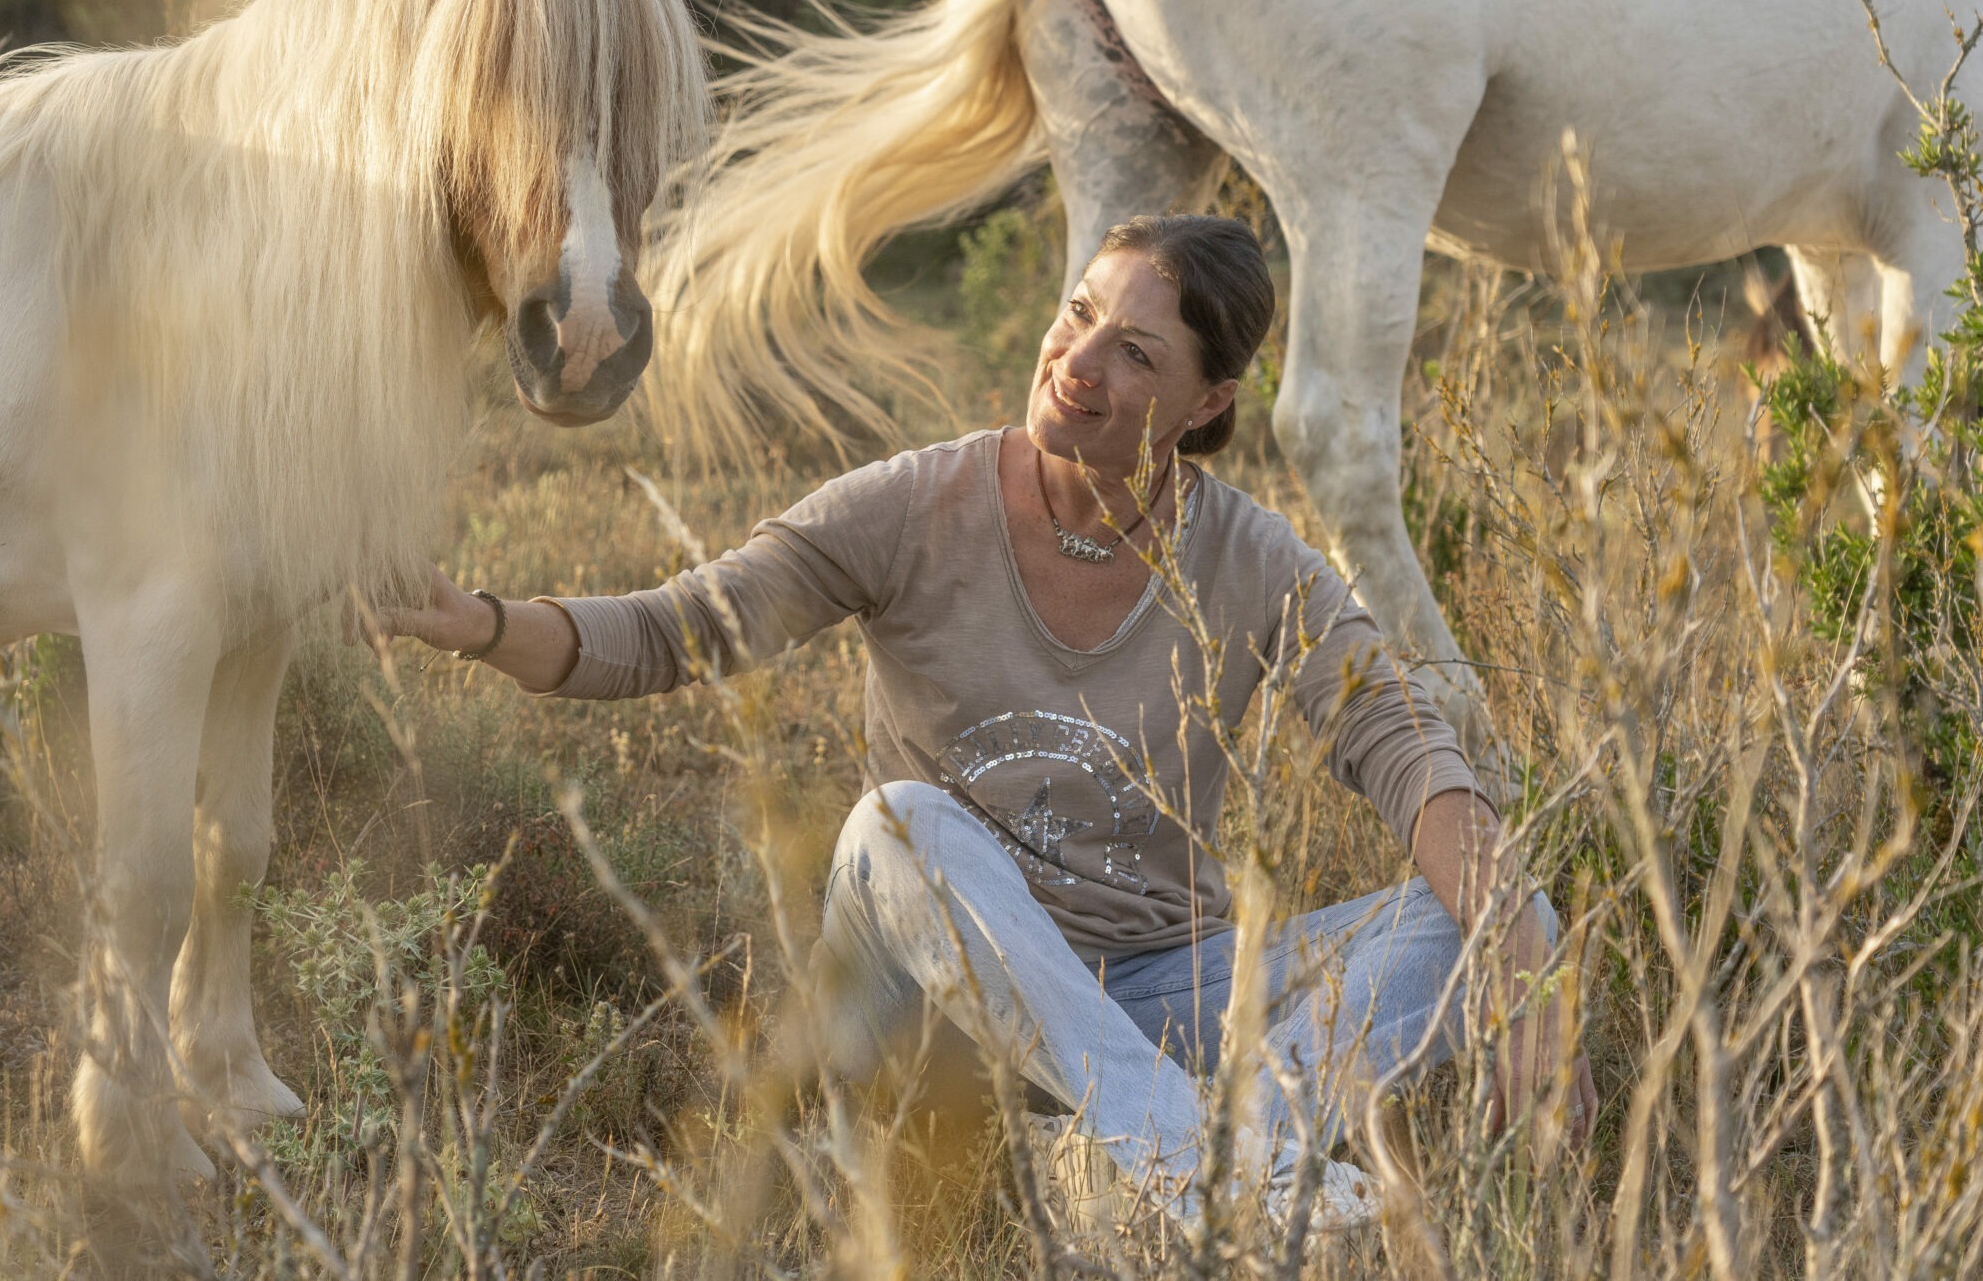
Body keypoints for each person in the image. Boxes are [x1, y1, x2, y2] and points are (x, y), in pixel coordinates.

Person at [372, 214, 1593, 1233]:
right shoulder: (916, 505)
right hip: (919, 1015)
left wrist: (1526, 960)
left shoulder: (1249, 560)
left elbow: (1400, 742)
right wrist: (476, 619)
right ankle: (1204, 1165)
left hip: (1148, 992)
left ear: (1208, 399)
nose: (1078, 363)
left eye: (1133, 353)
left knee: (1482, 913)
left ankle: (1140, 1167)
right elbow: (680, 628)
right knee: (898, 824)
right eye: (1077, 318)